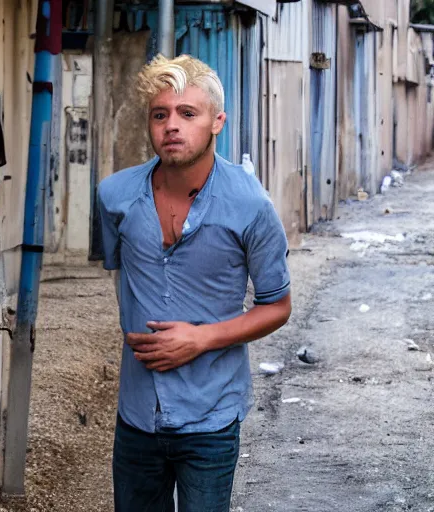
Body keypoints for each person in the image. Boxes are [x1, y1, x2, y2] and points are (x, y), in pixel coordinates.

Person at [98, 54, 291, 512]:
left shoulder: (251, 206)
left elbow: (277, 305)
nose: (172, 126)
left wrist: (200, 338)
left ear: (217, 122)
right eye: (160, 114)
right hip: (137, 415)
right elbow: (122, 274)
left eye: (188, 113)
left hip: (211, 416)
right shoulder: (114, 195)